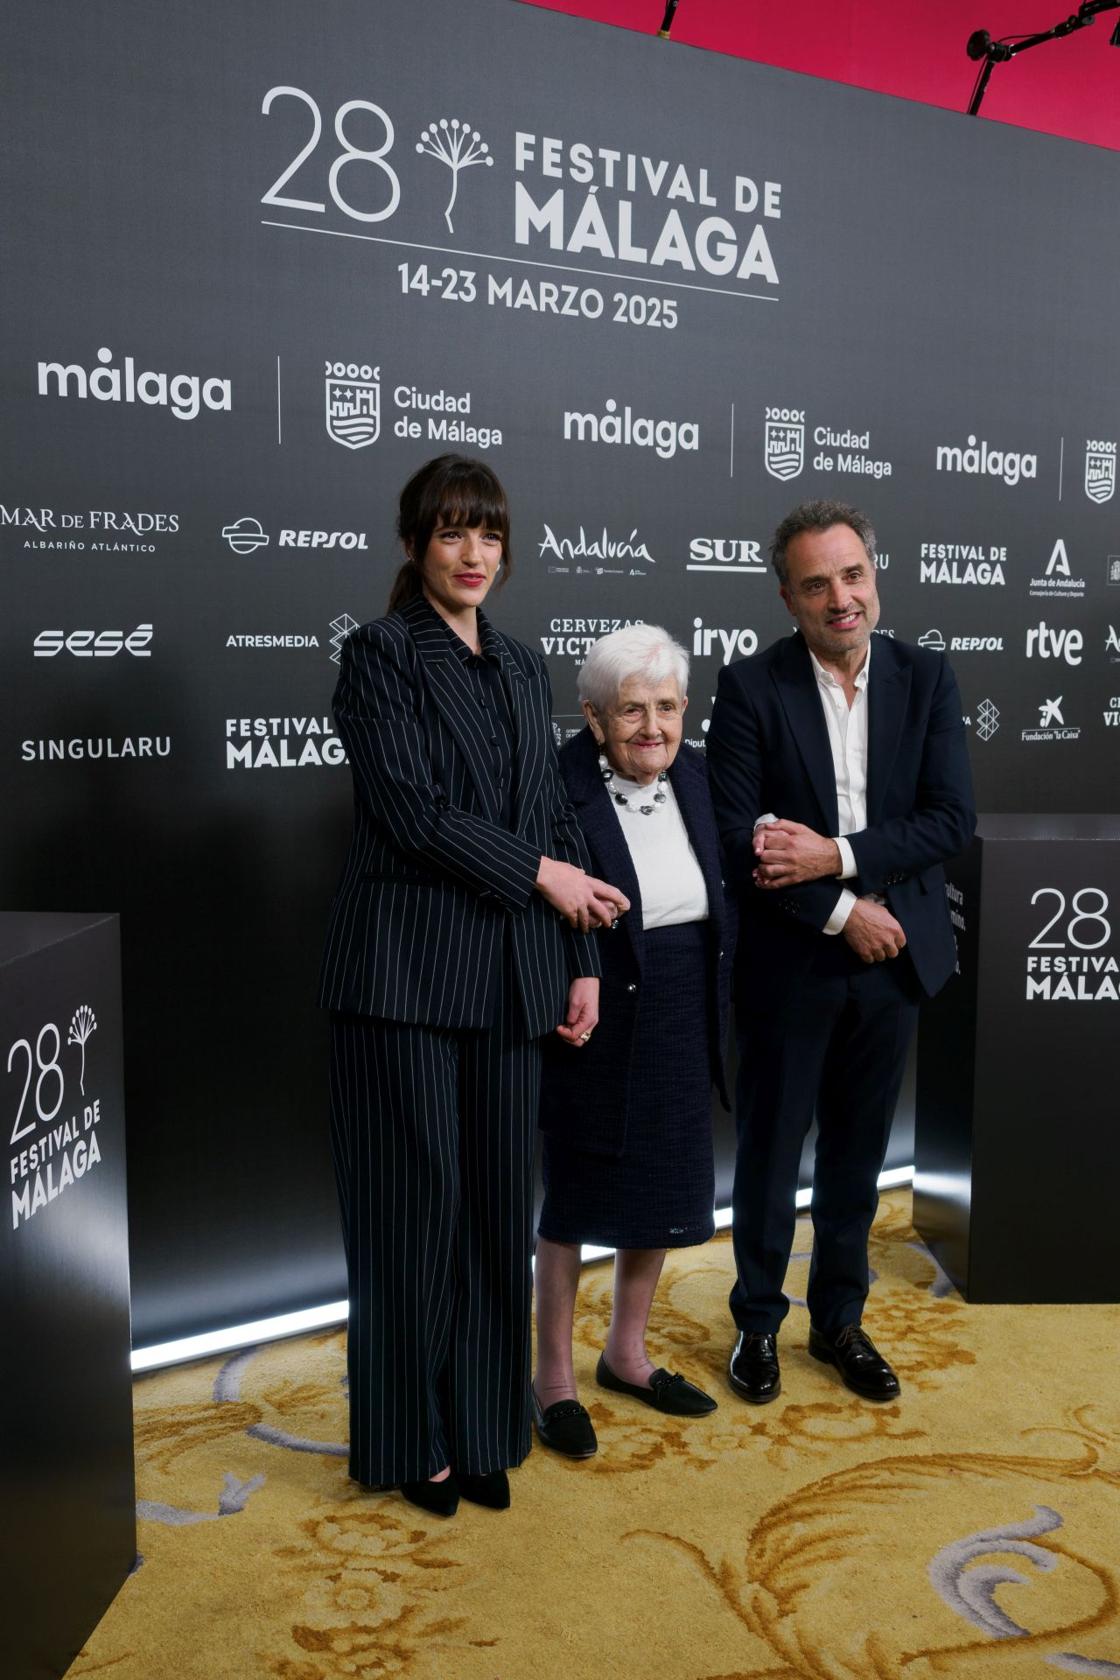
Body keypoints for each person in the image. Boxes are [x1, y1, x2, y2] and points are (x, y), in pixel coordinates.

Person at [319, 455, 629, 1516]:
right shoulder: (378, 656)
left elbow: (547, 815)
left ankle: (487, 1424)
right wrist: (541, 875)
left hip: (508, 981)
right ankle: (414, 1440)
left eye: (489, 534)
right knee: (415, 1220)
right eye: (452, 533)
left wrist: (578, 959)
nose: (473, 553)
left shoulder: (518, 661)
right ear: (415, 546)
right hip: (401, 980)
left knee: (499, 1210)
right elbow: (409, 816)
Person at [706, 500, 975, 1407]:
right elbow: (745, 843)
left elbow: (948, 820)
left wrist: (836, 858)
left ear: (875, 575)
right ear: (788, 596)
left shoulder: (926, 677)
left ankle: (840, 1323)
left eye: (852, 575)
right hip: (796, 960)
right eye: (816, 583)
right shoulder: (750, 688)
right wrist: (837, 911)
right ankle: (756, 1325)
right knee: (772, 1158)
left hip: (893, 960)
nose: (841, 597)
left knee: (859, 1159)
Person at [531, 624, 735, 1458]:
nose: (651, 726)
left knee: (659, 1187)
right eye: (630, 710)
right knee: (575, 1196)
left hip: (685, 996)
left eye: (666, 706)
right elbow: (530, 900)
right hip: (594, 1000)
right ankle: (552, 1378)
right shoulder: (556, 782)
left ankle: (626, 1352)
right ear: (591, 715)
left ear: (686, 708)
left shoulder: (699, 772)